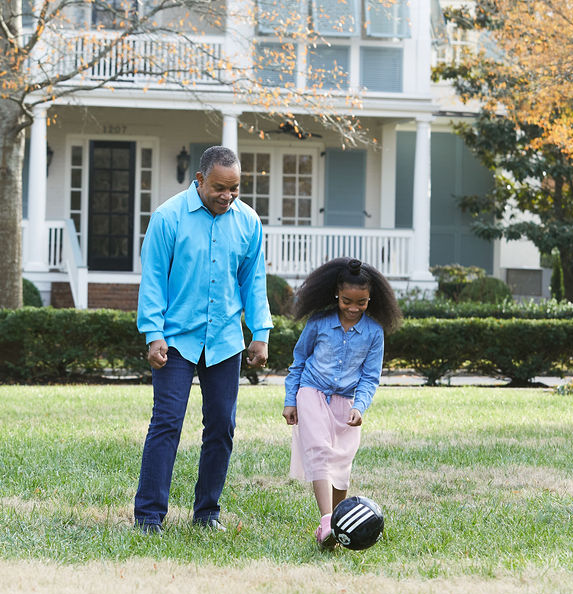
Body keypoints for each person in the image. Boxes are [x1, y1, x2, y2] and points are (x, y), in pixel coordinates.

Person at [134, 145, 273, 534]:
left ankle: (207, 513)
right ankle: (148, 516)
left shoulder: (248, 222)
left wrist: (259, 333)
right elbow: (153, 280)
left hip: (226, 340)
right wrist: (153, 333)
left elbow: (253, 281)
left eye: (235, 189)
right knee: (167, 423)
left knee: (222, 427)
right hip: (176, 339)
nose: (227, 196)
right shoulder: (167, 218)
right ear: (199, 180)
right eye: (219, 188)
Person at [282, 257, 402, 550]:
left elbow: (370, 377)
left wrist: (359, 407)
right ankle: (326, 522)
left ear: (371, 299)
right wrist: (290, 400)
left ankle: (339, 523)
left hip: (346, 402)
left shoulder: (374, 332)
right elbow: (298, 361)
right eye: (347, 300)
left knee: (341, 463)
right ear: (336, 293)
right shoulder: (319, 323)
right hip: (311, 393)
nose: (352, 307)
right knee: (320, 453)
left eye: (361, 302)